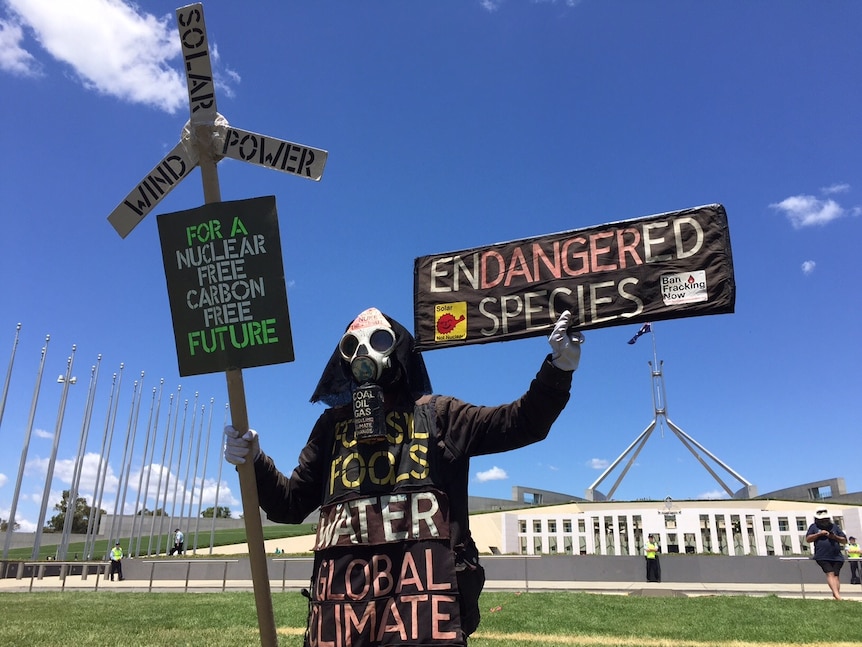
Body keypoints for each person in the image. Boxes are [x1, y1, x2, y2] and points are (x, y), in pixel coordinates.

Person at [225, 307, 584, 646]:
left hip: (424, 616)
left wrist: (558, 369)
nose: (364, 353)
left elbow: (519, 423)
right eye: (352, 345)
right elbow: (289, 504)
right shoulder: (331, 427)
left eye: (378, 341)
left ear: (398, 349)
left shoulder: (440, 416)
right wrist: (255, 462)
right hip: (346, 620)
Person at [805, 508, 847, 600]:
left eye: (826, 519)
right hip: (822, 556)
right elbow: (808, 539)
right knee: (830, 573)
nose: (824, 521)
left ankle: (836, 595)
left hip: (836, 556)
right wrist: (819, 534)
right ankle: (837, 596)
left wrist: (834, 536)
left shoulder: (834, 527)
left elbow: (844, 540)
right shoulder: (813, 527)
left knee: (836, 575)